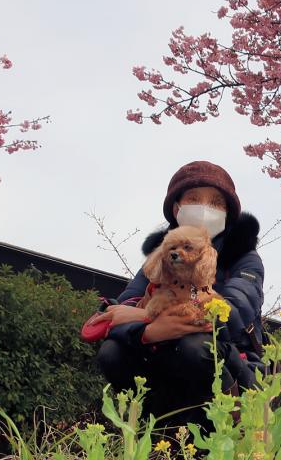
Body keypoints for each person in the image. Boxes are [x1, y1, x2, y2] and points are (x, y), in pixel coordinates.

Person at [96, 160, 265, 431]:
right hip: (164, 352)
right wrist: (147, 332)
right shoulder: (161, 257)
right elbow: (119, 310)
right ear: (177, 209)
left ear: (228, 213)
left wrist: (145, 317)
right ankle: (150, 431)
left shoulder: (243, 258)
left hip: (231, 359)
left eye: (216, 203)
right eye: (194, 199)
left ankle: (223, 430)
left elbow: (231, 311)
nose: (205, 208)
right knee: (112, 352)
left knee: (195, 347)